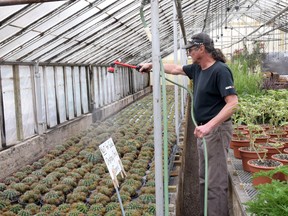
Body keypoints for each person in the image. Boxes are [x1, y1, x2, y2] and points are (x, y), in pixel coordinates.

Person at [140, 32, 238, 216]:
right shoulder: (197, 69)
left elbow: (232, 104)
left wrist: (209, 126)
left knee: (215, 181)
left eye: (191, 49)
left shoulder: (220, 70)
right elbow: (175, 69)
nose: (189, 53)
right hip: (204, 130)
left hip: (215, 132)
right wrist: (152, 66)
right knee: (204, 178)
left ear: (202, 48)